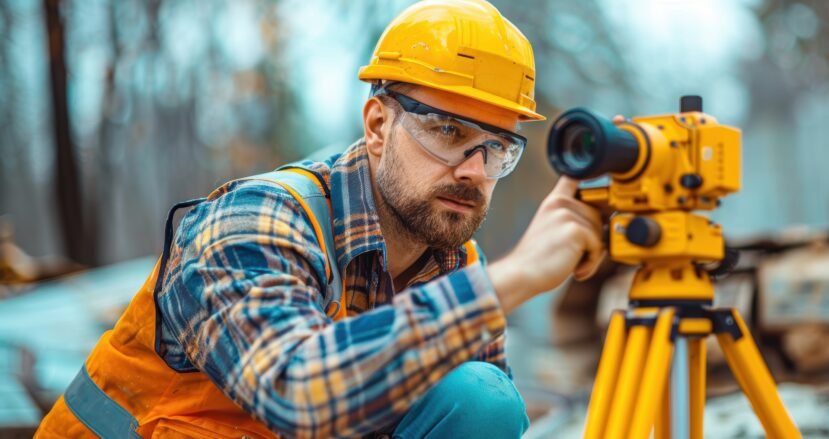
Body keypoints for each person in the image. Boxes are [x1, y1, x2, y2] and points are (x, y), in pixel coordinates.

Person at [36, 0, 604, 437]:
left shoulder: (457, 264)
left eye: (497, 147)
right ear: (379, 126)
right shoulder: (253, 219)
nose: (475, 170)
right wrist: (511, 280)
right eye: (448, 132)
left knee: (482, 400)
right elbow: (295, 389)